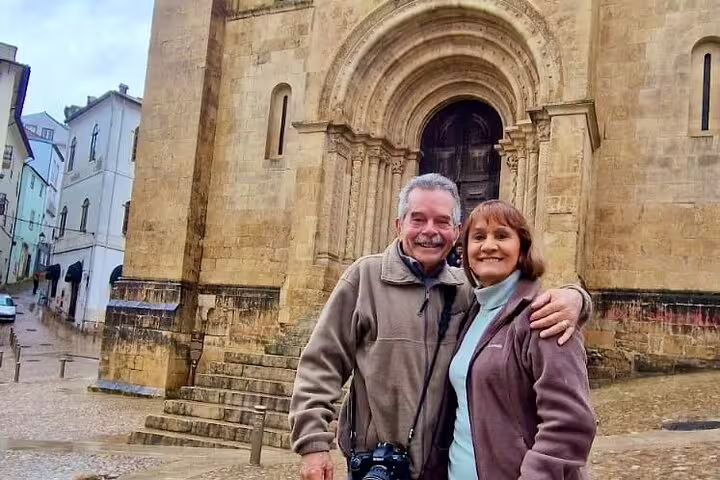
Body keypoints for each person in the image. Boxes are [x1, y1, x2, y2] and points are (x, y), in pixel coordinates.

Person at [289, 174, 591, 480]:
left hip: (442, 470)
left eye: (442, 222)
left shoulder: (468, 292)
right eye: (418, 219)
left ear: (456, 232)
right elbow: (320, 363)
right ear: (399, 225)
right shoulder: (365, 278)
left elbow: (522, 302)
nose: (429, 231)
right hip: (379, 467)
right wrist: (313, 445)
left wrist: (577, 298)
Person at [425, 200, 596, 480]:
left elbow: (570, 423)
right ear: (465, 252)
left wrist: (577, 296)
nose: (488, 245)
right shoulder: (473, 310)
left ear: (522, 250)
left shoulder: (544, 315)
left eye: (502, 235)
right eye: (478, 237)